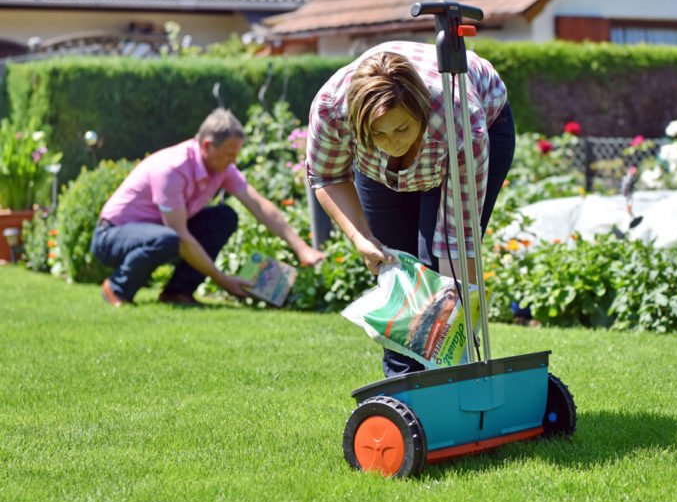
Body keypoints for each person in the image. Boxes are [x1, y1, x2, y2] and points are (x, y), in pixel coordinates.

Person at [305, 41, 515, 377]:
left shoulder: (460, 120)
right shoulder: (332, 110)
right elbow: (326, 175)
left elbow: (456, 240)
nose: (393, 142)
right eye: (379, 133)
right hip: (377, 169)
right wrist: (360, 238)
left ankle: (450, 379)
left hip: (473, 132)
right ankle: (403, 384)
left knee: (434, 272)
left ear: (419, 112)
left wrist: (457, 316)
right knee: (397, 268)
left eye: (402, 128)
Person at [92, 108, 325, 307]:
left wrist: (302, 248)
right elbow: (180, 236)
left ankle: (177, 292)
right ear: (206, 146)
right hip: (111, 235)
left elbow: (258, 205)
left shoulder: (222, 168)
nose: (233, 161)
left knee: (223, 217)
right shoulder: (172, 169)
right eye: (228, 155)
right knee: (168, 238)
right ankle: (117, 289)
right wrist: (223, 281)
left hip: (157, 232)